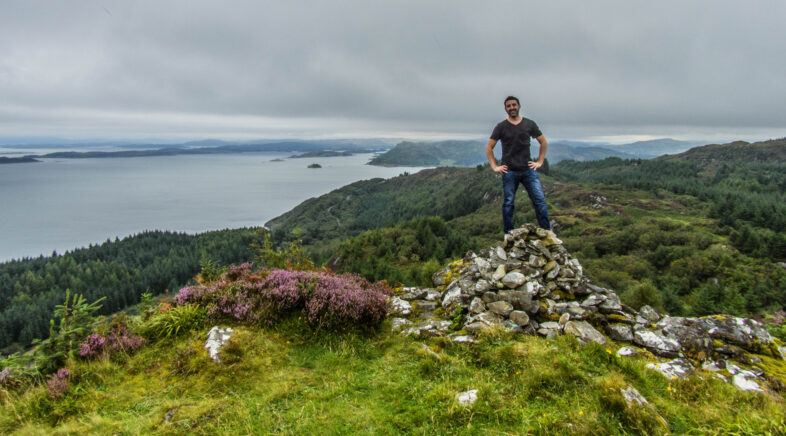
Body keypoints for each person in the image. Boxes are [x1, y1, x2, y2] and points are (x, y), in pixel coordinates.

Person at [485, 96, 552, 234]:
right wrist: (494, 166)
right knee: (508, 203)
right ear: (505, 109)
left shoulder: (529, 124)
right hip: (509, 171)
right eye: (509, 106)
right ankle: (508, 234)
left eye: (514, 105)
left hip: (528, 170)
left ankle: (548, 232)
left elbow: (543, 142)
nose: (512, 108)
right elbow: (489, 147)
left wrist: (539, 162)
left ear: (519, 106)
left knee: (539, 200)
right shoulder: (501, 127)